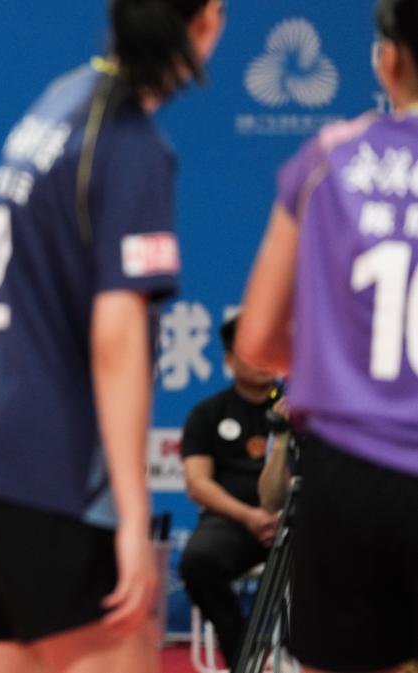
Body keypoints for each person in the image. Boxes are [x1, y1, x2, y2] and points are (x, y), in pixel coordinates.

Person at [0, 2, 225, 671]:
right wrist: (133, 517)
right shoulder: (130, 145)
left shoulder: (57, 103)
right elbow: (117, 341)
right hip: (49, 476)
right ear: (206, 20)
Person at [237, 0, 418, 670]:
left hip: (349, 473)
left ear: (388, 60)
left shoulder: (329, 158)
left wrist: (341, 361)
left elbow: (257, 340)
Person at [178, 314, 280, 669]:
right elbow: (197, 483)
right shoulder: (207, 414)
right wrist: (248, 516)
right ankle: (245, 657)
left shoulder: (297, 409)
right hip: (232, 521)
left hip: (293, 520)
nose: (262, 359)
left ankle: (297, 655)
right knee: (198, 561)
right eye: (252, 350)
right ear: (229, 359)